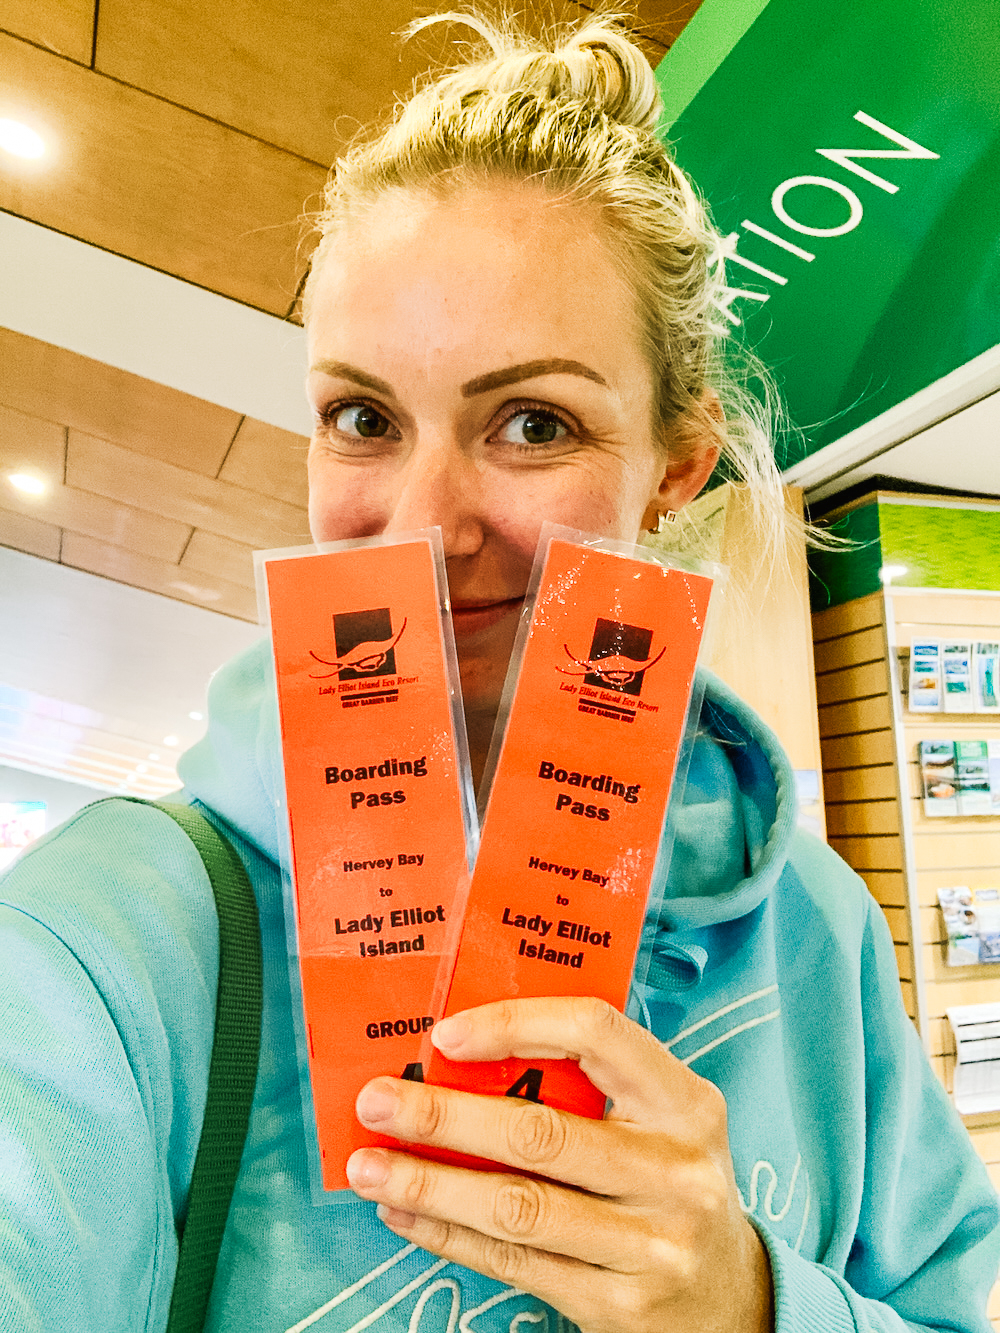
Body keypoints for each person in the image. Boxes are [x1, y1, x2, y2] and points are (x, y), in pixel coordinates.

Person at [1, 11, 997, 1333]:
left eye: (533, 422)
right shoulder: (114, 941)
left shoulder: (814, 928)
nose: (422, 522)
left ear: (671, 473)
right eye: (363, 417)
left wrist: (752, 1304)